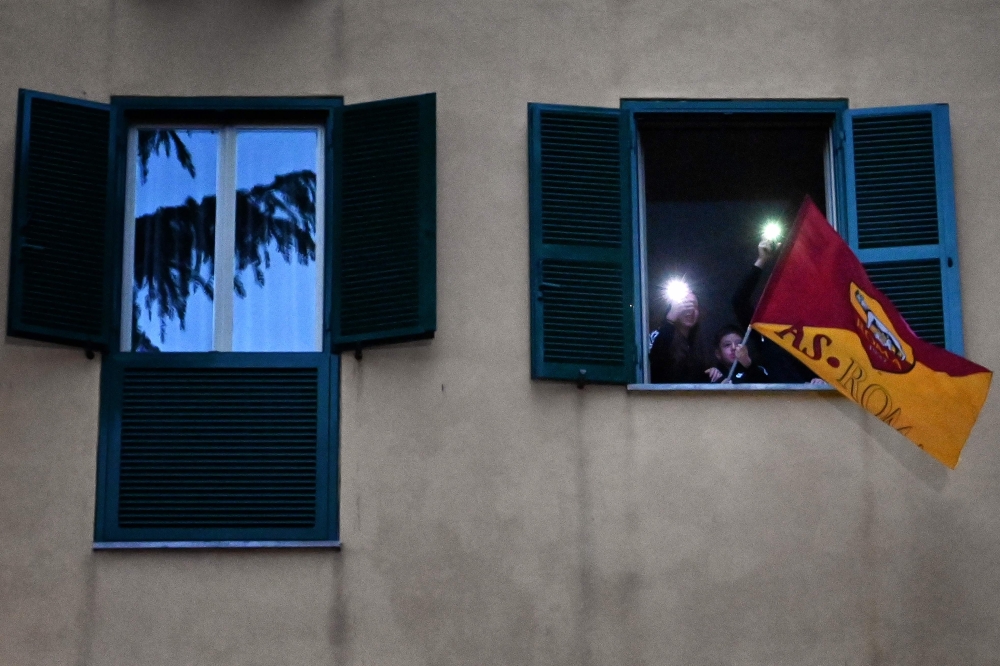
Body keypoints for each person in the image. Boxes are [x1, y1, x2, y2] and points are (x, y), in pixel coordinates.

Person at [732, 239, 823, 384]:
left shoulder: (817, 326)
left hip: (814, 403)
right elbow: (739, 301)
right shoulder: (766, 331)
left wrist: (824, 382)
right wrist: (762, 260)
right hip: (777, 404)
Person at [649, 290, 710, 383]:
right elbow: (655, 365)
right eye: (684, 304)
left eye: (694, 305)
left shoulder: (698, 343)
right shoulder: (659, 335)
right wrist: (670, 320)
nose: (690, 309)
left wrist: (711, 374)